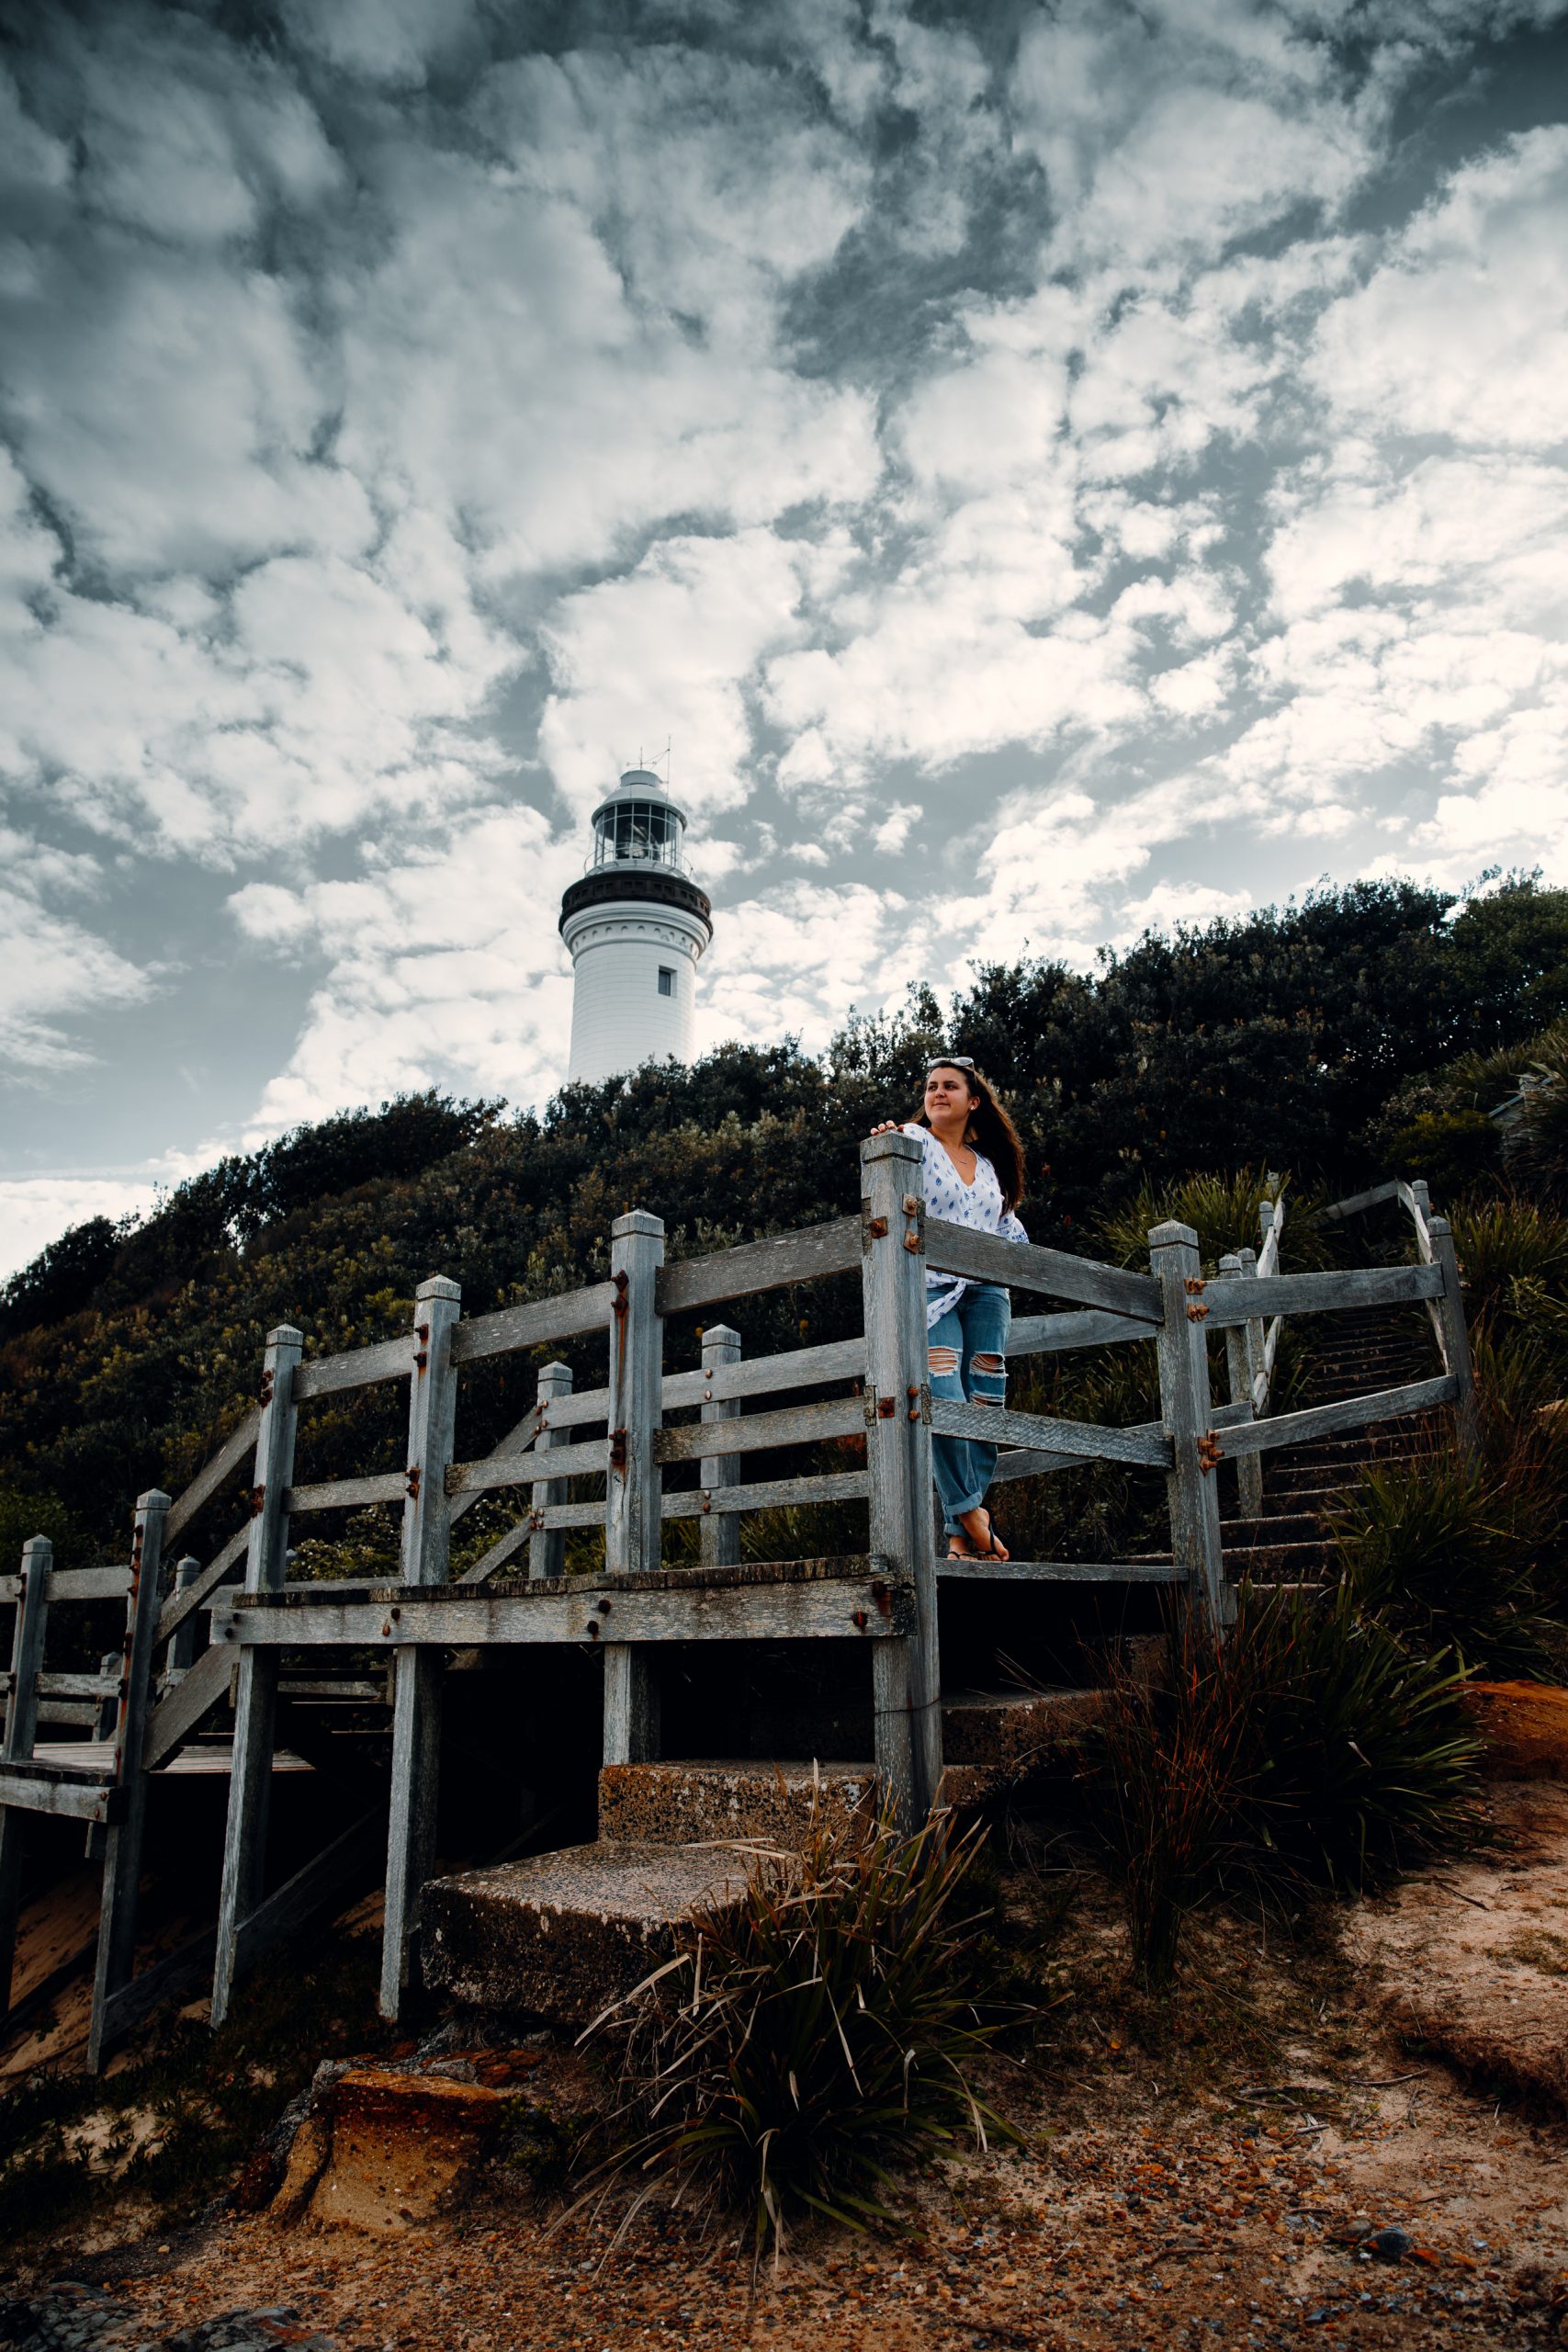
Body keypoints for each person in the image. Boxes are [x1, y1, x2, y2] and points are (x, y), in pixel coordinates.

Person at [870, 1057, 1029, 1560]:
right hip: (931, 1289)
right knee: (945, 1395)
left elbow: (1007, 1230)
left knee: (986, 1400)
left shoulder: (987, 1167)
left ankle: (959, 1533)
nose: (937, 1093)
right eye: (931, 1087)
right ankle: (970, 1513)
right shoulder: (914, 1142)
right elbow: (884, 1174)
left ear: (973, 1100)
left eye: (949, 1087)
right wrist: (887, 1140)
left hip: (986, 1292)